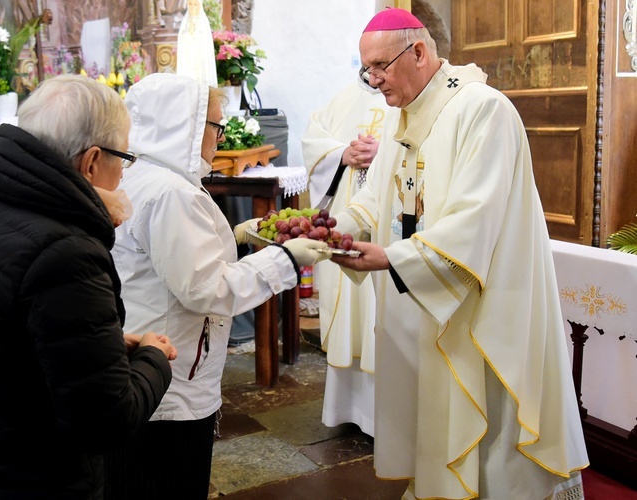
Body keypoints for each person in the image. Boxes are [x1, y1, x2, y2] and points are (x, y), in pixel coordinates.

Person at [329, 8, 589, 499]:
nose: (373, 80)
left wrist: (390, 259)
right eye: (366, 70)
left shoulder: (483, 110)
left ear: (420, 52)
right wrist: (329, 231)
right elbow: (372, 203)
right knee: (432, 412)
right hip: (422, 299)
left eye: (380, 66)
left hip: (480, 307)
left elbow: (474, 222)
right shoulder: (401, 117)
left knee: (489, 430)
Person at [0, 74, 176, 500]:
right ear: (91, 163)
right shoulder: (64, 252)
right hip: (23, 480)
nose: (123, 173)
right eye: (124, 157)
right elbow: (105, 421)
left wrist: (100, 345)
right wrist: (154, 359)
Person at [111, 72, 328, 499]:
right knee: (169, 479)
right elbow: (207, 288)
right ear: (184, 126)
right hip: (171, 371)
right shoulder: (172, 192)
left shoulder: (142, 175)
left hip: (149, 351)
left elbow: (174, 257)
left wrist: (237, 235)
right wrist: (286, 259)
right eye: (214, 125)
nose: (220, 135)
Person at [302, 81, 395, 436]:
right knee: (349, 313)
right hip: (346, 219)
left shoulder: (410, 96)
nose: (375, 73)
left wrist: (384, 153)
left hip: (386, 227)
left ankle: (385, 420)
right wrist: (342, 154)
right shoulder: (342, 98)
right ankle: (349, 409)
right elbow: (313, 141)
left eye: (381, 63)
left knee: (379, 309)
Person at [176, 0, 217, 87]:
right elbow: (182, 41)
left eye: (195, 5)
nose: (192, 7)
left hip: (200, 60)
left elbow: (205, 44)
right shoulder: (184, 23)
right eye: (190, 4)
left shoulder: (203, 23)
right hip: (188, 59)